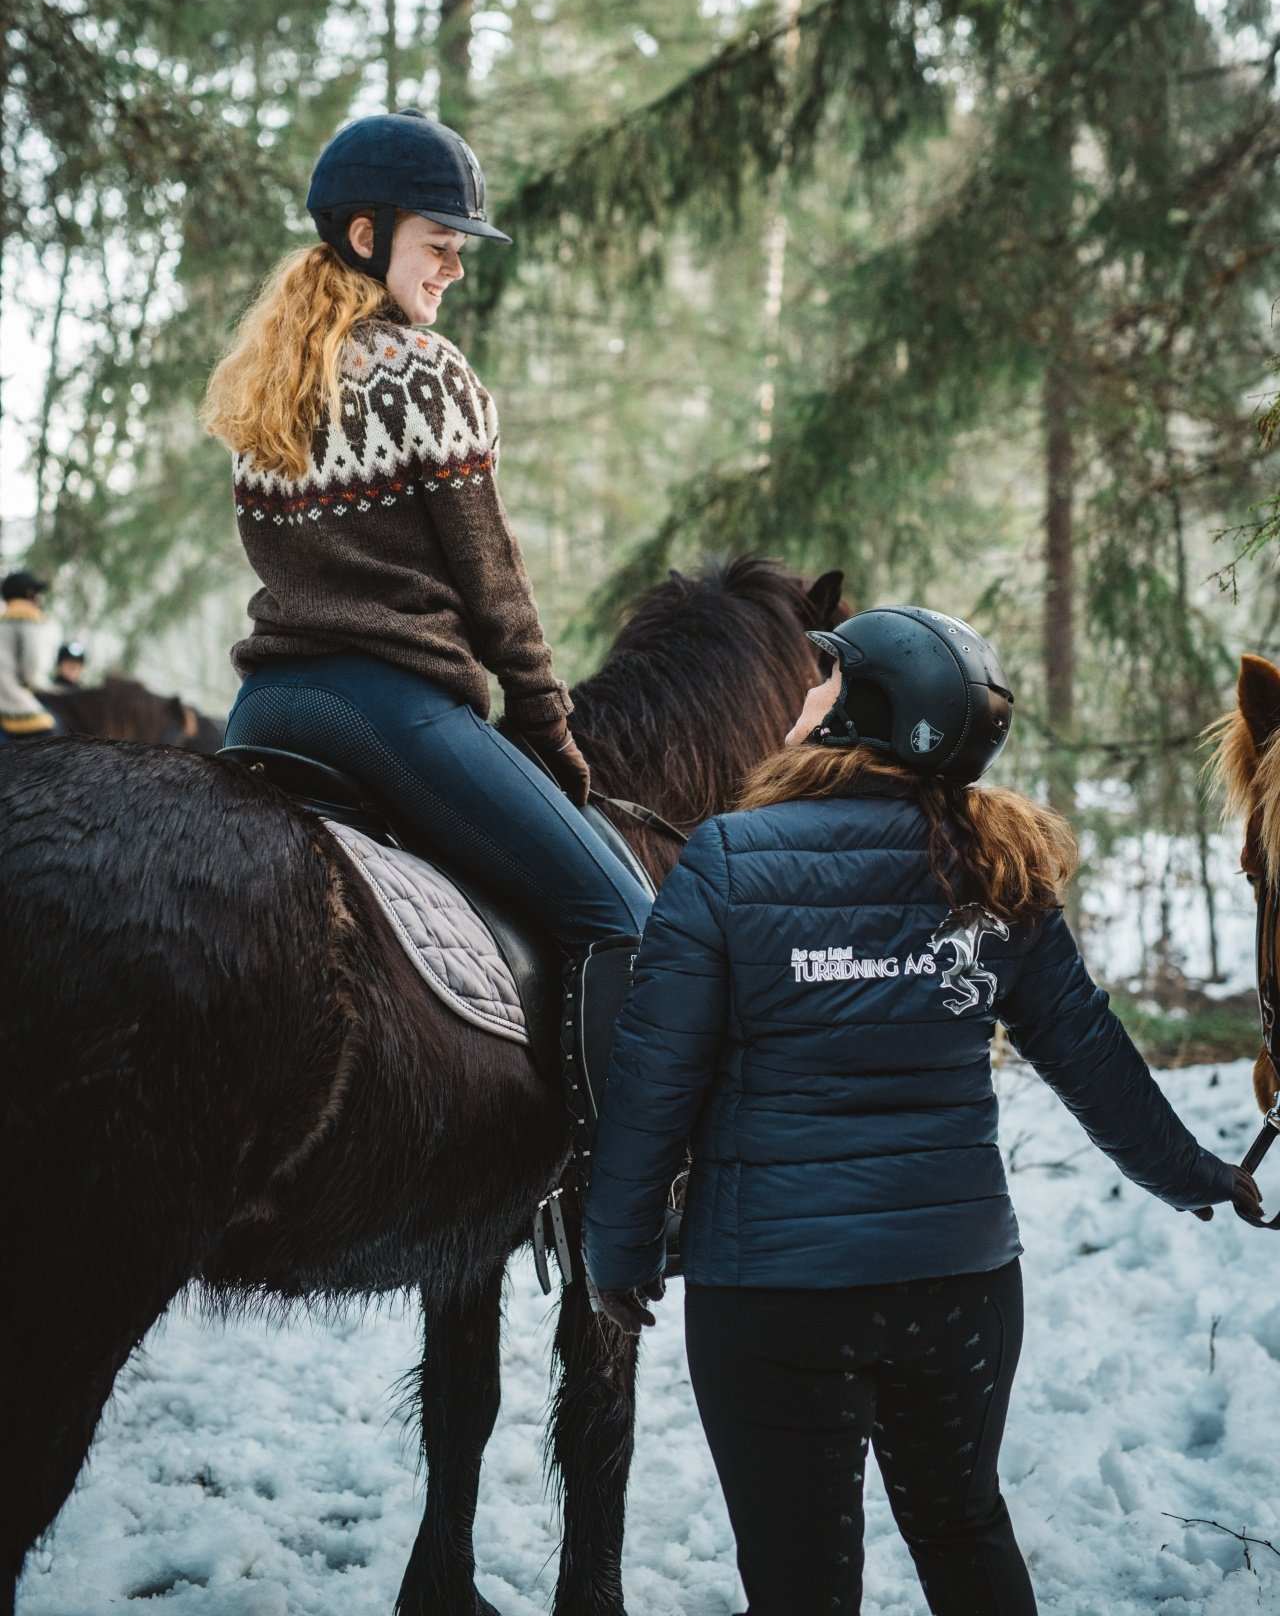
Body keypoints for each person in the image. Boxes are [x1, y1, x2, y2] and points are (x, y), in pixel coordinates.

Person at [583, 606, 1259, 1616]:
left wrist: (619, 1257)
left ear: (862, 710)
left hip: (773, 1297)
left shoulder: (723, 863)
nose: (800, 698)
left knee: (797, 1580)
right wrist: (1192, 1172)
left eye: (822, 682)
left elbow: (651, 1087)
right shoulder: (997, 866)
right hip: (958, 1289)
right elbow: (1087, 1054)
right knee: (963, 1534)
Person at [202, 108, 650, 962]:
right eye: (439, 243)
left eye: (460, 248)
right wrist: (546, 723)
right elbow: (493, 580)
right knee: (627, 922)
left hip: (267, 708)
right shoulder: (421, 367)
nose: (455, 267)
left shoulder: (267, 387)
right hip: (385, 708)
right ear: (367, 235)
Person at [0, 571, 60, 743]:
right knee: (57, 735)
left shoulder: (4, 619)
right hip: (10, 701)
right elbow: (31, 671)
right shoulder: (26, 617)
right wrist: (49, 688)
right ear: (29, 593)